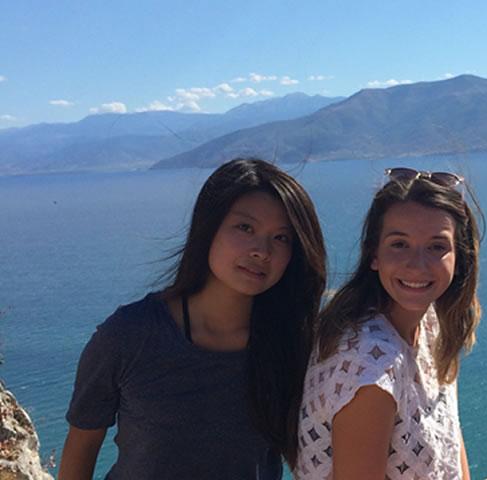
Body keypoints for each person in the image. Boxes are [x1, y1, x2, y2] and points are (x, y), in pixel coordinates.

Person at [59, 158, 327, 479]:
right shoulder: (130, 335)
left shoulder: (294, 345)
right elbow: (81, 447)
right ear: (208, 227)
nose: (262, 250)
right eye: (245, 228)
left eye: (281, 238)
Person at [294, 167, 481, 480]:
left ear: (459, 257)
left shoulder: (431, 325)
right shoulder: (371, 369)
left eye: (437, 246)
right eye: (399, 244)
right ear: (374, 254)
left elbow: (451, 439)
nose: (417, 264)